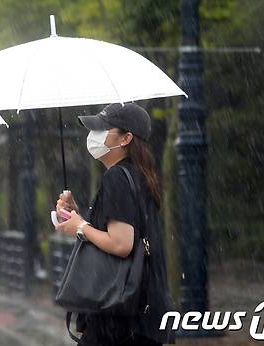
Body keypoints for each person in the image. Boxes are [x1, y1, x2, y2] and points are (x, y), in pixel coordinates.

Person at [55, 103, 176, 345]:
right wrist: (78, 216)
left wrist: (80, 227)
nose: (94, 136)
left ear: (126, 138)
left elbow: (121, 244)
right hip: (142, 310)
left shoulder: (117, 178)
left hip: (120, 318)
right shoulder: (139, 174)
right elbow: (122, 231)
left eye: (103, 129)